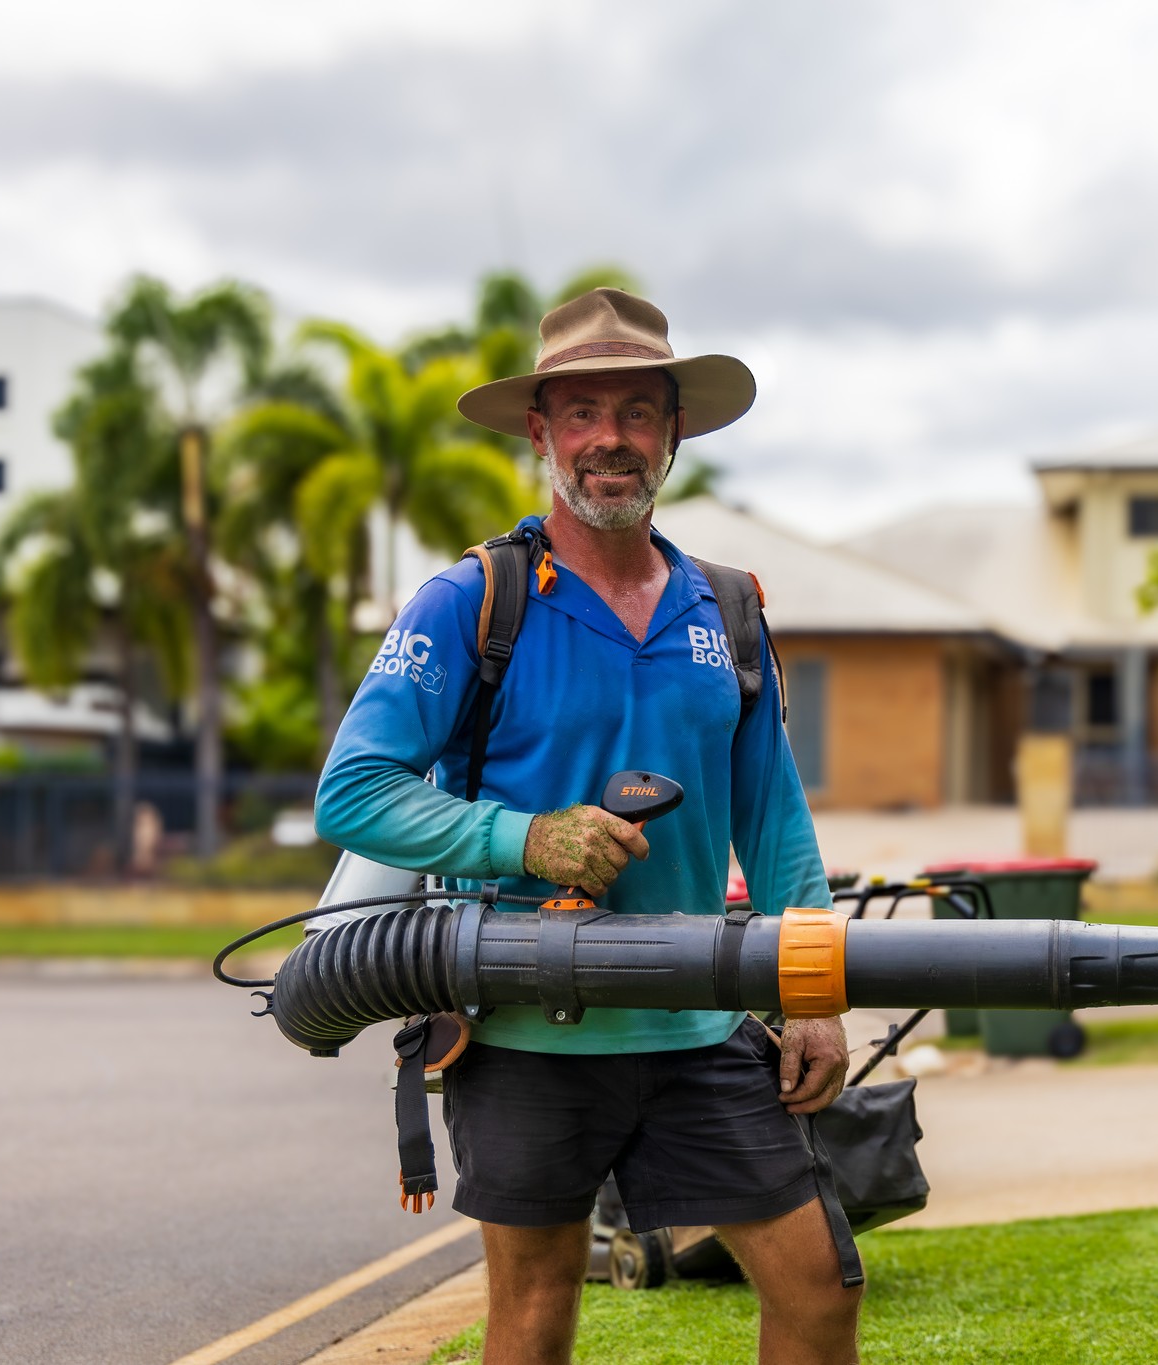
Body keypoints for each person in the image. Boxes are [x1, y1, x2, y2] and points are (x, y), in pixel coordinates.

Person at [315, 288, 859, 1365]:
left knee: (818, 1285)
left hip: (698, 1022)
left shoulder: (730, 609)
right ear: (540, 433)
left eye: (635, 411)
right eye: (580, 411)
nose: (608, 437)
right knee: (533, 1307)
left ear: (672, 432)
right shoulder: (472, 603)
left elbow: (773, 816)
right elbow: (354, 791)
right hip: (523, 1026)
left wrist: (815, 995)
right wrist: (526, 839)